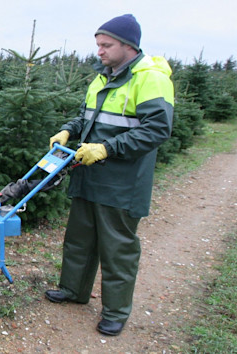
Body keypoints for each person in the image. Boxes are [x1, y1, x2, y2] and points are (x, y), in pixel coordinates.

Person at [44, 14, 174, 336]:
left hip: (122, 184)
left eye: (106, 45)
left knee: (117, 249)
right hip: (89, 177)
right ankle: (74, 290)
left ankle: (116, 311)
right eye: (98, 45)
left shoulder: (150, 78)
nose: (99, 51)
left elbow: (157, 129)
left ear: (127, 46)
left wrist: (106, 149)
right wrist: (67, 130)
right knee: (79, 239)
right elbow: (86, 118)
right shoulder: (101, 79)